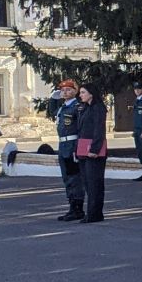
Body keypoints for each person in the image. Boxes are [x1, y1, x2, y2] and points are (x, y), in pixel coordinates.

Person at [47, 79, 86, 219]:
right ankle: (71, 206)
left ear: (75, 91)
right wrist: (53, 97)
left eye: (68, 89)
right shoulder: (63, 107)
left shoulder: (77, 107)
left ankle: (78, 209)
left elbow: (81, 128)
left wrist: (77, 148)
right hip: (63, 145)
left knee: (75, 178)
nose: (65, 92)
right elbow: (51, 112)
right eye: (63, 90)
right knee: (67, 178)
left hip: (72, 145)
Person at [73, 84, 109, 221]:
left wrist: (94, 149)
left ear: (91, 94)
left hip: (94, 151)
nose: (80, 95)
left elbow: (99, 130)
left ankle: (94, 214)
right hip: (83, 149)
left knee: (95, 183)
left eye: (83, 92)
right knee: (88, 182)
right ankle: (93, 212)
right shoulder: (85, 108)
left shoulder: (98, 108)